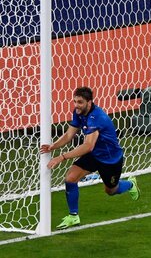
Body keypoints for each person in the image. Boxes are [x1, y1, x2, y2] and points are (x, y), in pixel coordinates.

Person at [40, 87, 140, 230]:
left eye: (80, 102)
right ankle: (73, 216)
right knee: (70, 178)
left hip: (109, 159)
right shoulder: (78, 113)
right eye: (74, 101)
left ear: (89, 102)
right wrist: (53, 146)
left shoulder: (97, 118)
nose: (76, 105)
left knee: (111, 191)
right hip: (94, 156)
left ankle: (130, 184)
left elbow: (88, 146)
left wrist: (61, 157)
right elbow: (69, 135)